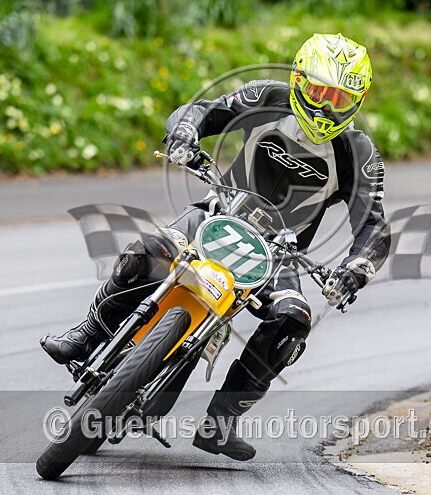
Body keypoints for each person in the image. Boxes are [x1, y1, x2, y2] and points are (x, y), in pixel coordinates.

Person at [41, 33, 390, 461]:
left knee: (294, 318)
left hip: (277, 255)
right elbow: (203, 111)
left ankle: (221, 422)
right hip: (216, 213)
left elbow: (373, 226)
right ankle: (87, 335)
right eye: (318, 91)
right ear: (299, 80)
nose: (325, 107)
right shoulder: (269, 95)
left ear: (357, 100)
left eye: (339, 98)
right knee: (145, 251)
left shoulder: (358, 151)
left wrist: (356, 269)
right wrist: (186, 133)